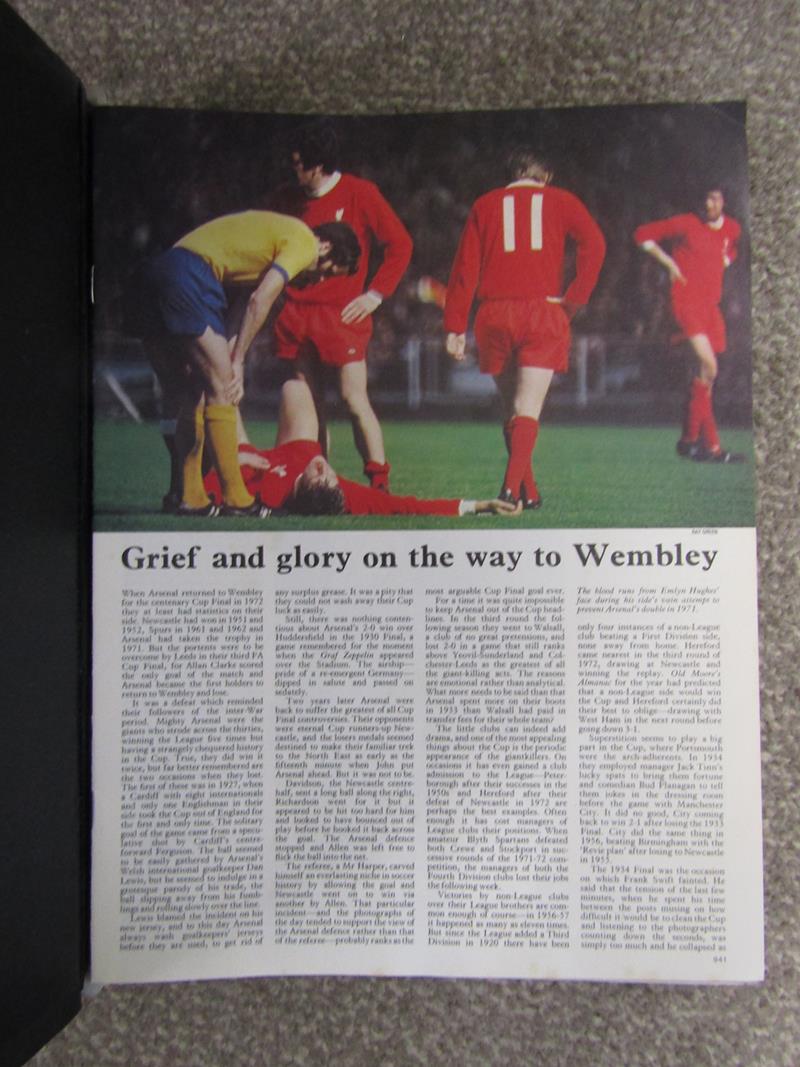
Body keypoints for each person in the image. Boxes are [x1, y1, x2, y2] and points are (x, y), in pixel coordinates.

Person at [139, 210, 360, 517]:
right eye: (327, 270)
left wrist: (231, 357)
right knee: (221, 387)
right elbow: (260, 299)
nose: (318, 279)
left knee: (188, 391)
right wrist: (238, 362)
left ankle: (186, 495)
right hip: (189, 273)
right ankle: (236, 499)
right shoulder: (304, 242)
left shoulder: (263, 248)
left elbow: (236, 315)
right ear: (324, 246)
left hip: (160, 271)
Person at [443, 148, 606, 508]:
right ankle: (508, 490)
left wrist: (455, 325)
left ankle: (527, 492)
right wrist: (575, 298)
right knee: (528, 408)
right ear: (545, 177)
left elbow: (464, 270)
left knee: (510, 409)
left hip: (494, 314)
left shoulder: (485, 205)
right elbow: (595, 244)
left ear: (511, 174)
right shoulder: (561, 200)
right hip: (543, 310)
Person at [270, 120, 413, 491]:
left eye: (299, 163)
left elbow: (400, 245)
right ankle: (318, 483)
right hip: (295, 313)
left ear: (318, 165)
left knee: (353, 399)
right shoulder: (285, 199)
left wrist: (374, 295)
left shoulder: (359, 193)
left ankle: (378, 483)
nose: (293, 168)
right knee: (309, 403)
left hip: (342, 315)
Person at [203, 380, 520, 517]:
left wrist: (233, 459)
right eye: (330, 473)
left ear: (311, 478)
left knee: (219, 397)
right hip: (295, 446)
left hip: (245, 461)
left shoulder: (267, 494)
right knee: (295, 388)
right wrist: (479, 505)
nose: (327, 469)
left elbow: (205, 494)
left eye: (321, 473)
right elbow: (406, 506)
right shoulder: (343, 491)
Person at [634, 187, 744, 462]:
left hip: (711, 308)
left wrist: (724, 261)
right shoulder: (686, 223)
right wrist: (669, 263)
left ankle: (706, 446)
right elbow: (641, 235)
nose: (709, 204)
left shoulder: (732, 228)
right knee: (709, 367)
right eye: (704, 198)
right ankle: (692, 440)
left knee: (706, 380)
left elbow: (732, 250)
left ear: (724, 202)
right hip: (686, 303)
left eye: (714, 198)